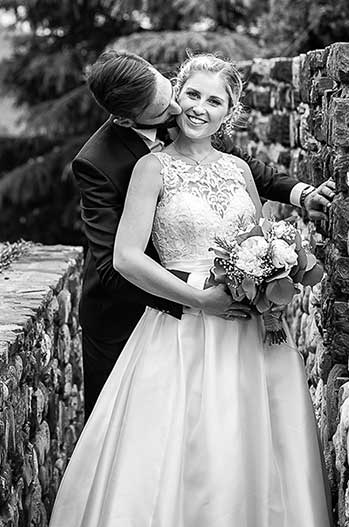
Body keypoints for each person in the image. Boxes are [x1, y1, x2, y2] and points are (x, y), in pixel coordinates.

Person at [34, 53, 343, 527]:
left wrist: (271, 287)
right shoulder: (145, 167)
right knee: (183, 469)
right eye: (190, 96)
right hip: (179, 326)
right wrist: (198, 299)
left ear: (231, 112)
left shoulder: (235, 168)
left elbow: (257, 237)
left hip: (250, 338)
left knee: (252, 468)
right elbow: (120, 258)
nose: (197, 108)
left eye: (214, 100)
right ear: (170, 99)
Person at [68, 49, 332, 413]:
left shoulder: (188, 106)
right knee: (124, 427)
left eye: (172, 92)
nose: (180, 111)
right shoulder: (97, 163)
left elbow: (239, 169)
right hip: (126, 313)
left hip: (228, 310)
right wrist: (200, 296)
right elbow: (115, 267)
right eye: (165, 110)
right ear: (128, 122)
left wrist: (301, 194)